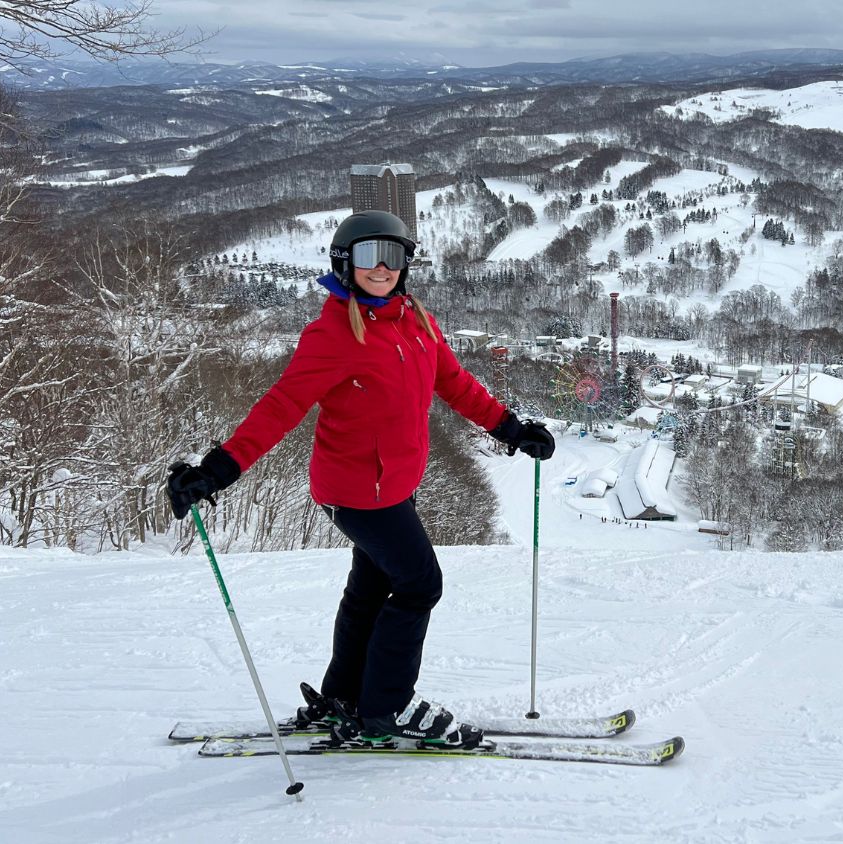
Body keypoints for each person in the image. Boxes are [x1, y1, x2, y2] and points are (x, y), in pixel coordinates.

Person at [165, 210, 555, 749]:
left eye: (393, 256)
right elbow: (281, 407)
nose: (382, 267)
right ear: (345, 263)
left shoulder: (414, 318)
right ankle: (388, 706)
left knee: (371, 589)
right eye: (369, 255)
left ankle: (345, 696)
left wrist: (511, 427)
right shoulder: (332, 333)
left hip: (395, 485)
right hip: (356, 492)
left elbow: (455, 382)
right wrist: (218, 470)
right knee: (420, 584)